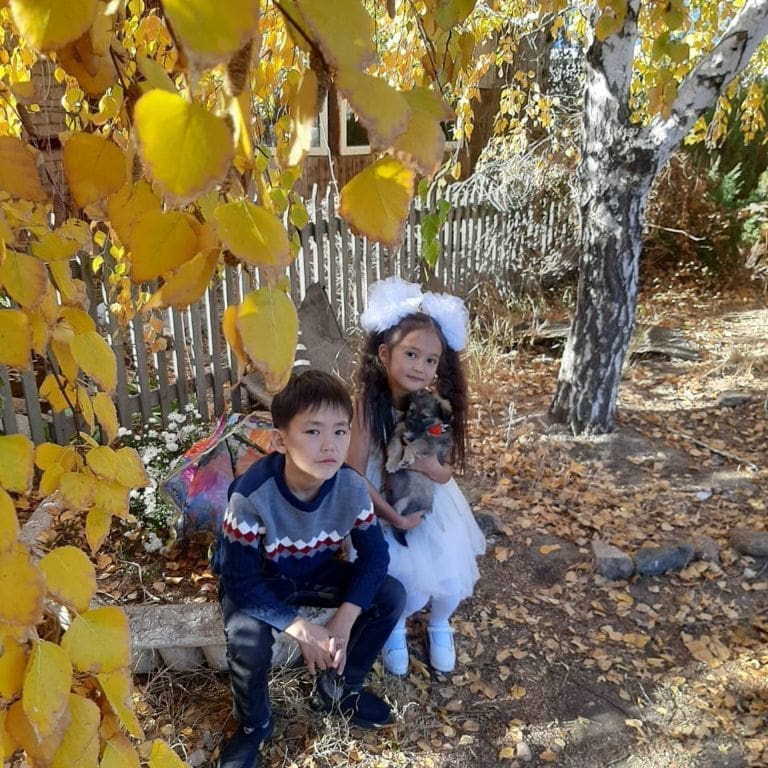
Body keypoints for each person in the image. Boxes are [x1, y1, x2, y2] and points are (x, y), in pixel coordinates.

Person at [212, 370, 406, 768]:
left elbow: (375, 557)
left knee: (390, 595)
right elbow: (239, 581)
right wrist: (300, 628)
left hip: (313, 572)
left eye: (340, 431)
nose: (330, 445)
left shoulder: (351, 487)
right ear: (280, 440)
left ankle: (340, 689)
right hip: (260, 580)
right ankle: (254, 724)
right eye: (313, 431)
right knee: (248, 639)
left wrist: (343, 622)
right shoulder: (251, 495)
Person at [347, 277, 486, 677]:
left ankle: (440, 622)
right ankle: (394, 625)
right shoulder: (365, 407)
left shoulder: (432, 406)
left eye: (430, 361)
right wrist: (392, 515)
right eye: (411, 354)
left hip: (430, 499)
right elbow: (353, 474)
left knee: (447, 560)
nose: (420, 367)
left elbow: (444, 472)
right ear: (384, 353)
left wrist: (428, 467)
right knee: (397, 568)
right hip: (378, 498)